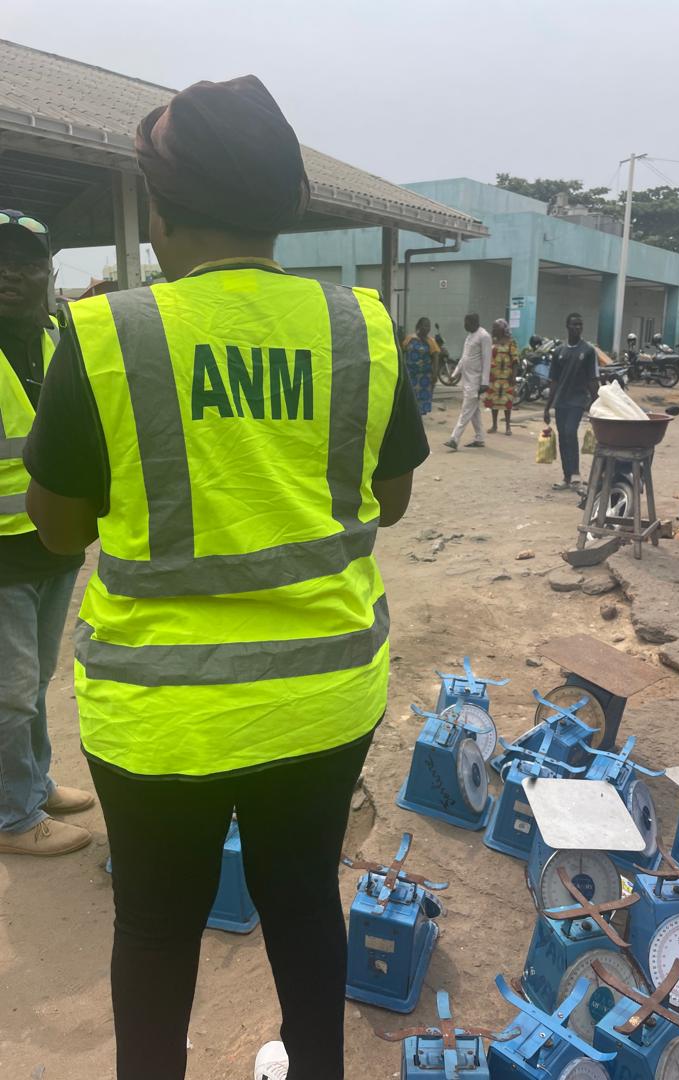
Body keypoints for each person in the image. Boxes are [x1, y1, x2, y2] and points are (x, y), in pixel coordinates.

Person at [24, 75, 429, 1080]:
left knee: (157, 933)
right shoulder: (363, 326)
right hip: (324, 697)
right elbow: (393, 497)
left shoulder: (109, 332)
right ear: (285, 200)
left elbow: (61, 525)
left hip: (160, 717)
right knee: (301, 907)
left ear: (159, 208)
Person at [0, 210, 94, 858]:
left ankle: (33, 784)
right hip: (1, 555)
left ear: (48, 271)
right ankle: (12, 816)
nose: (9, 271)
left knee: (34, 683)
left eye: (25, 259)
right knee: (9, 693)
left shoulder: (68, 333)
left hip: (54, 545)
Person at [543, 312, 599, 492]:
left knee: (570, 432)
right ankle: (566, 477)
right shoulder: (559, 351)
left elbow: (592, 380)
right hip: (561, 401)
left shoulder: (588, 351)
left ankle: (575, 474)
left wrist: (597, 403)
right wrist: (547, 406)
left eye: (580, 325)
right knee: (562, 437)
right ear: (567, 326)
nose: (577, 328)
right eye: (574, 325)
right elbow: (554, 381)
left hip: (577, 400)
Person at [444, 313, 491, 450]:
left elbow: (487, 360)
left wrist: (485, 382)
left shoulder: (484, 336)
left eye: (467, 322)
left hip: (476, 382)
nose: (465, 325)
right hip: (467, 380)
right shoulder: (470, 336)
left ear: (475, 322)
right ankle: (480, 438)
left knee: (466, 411)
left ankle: (454, 438)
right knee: (474, 412)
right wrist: (454, 374)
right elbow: (464, 358)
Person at [484, 318, 519, 434]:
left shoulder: (511, 342)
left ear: (503, 329)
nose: (493, 330)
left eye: (496, 328)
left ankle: (508, 427)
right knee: (494, 401)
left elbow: (515, 361)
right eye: (493, 327)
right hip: (494, 377)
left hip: (506, 377)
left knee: (507, 402)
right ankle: (494, 425)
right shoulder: (492, 342)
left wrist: (513, 376)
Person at [402, 316, 440, 414]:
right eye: (425, 326)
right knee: (410, 398)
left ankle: (419, 419)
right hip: (410, 375)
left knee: (422, 400)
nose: (427, 328)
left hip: (424, 378)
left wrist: (435, 374)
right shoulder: (409, 339)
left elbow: (436, 358)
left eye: (428, 326)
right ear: (419, 326)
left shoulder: (431, 342)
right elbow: (402, 352)